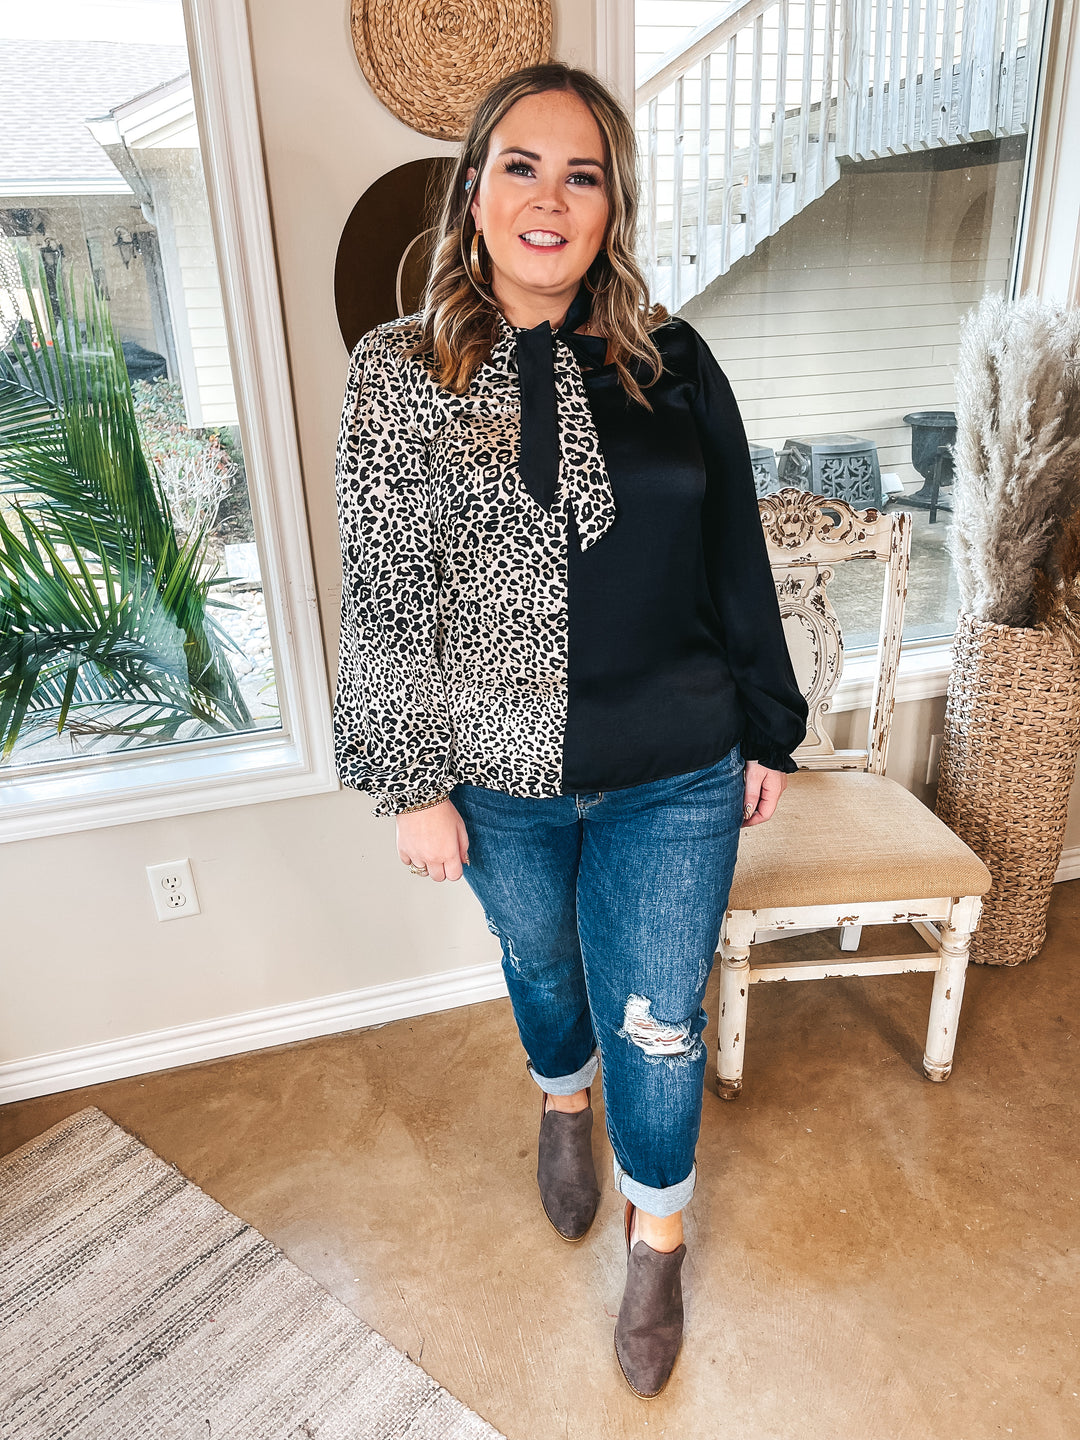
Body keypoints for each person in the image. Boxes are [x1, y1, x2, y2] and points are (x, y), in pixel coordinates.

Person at [333, 62, 808, 1398]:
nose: (550, 198)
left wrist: (765, 729)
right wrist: (410, 783)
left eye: (582, 174)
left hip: (677, 767)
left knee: (659, 1016)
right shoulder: (399, 374)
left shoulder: (676, 362)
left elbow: (733, 556)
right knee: (543, 965)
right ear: (474, 192)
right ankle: (561, 1093)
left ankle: (658, 1239)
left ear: (613, 207)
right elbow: (386, 589)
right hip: (498, 774)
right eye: (522, 166)